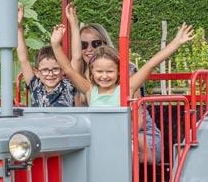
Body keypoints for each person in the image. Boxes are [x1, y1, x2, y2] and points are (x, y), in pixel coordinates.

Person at [50, 22, 195, 162]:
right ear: (92, 72)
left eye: (110, 71)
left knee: (126, 153)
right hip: (102, 140)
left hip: (122, 139)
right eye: (100, 71)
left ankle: (134, 177)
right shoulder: (89, 91)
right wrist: (55, 44)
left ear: (119, 72)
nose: (104, 76)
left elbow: (150, 64)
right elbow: (68, 70)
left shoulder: (126, 89)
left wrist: (176, 42)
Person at [16, 6, 78, 107]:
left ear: (63, 70)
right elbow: (24, 60)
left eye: (55, 69)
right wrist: (18, 28)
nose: (50, 74)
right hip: (39, 123)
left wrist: (74, 25)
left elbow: (76, 57)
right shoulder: (35, 86)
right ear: (37, 72)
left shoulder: (68, 86)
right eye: (45, 70)